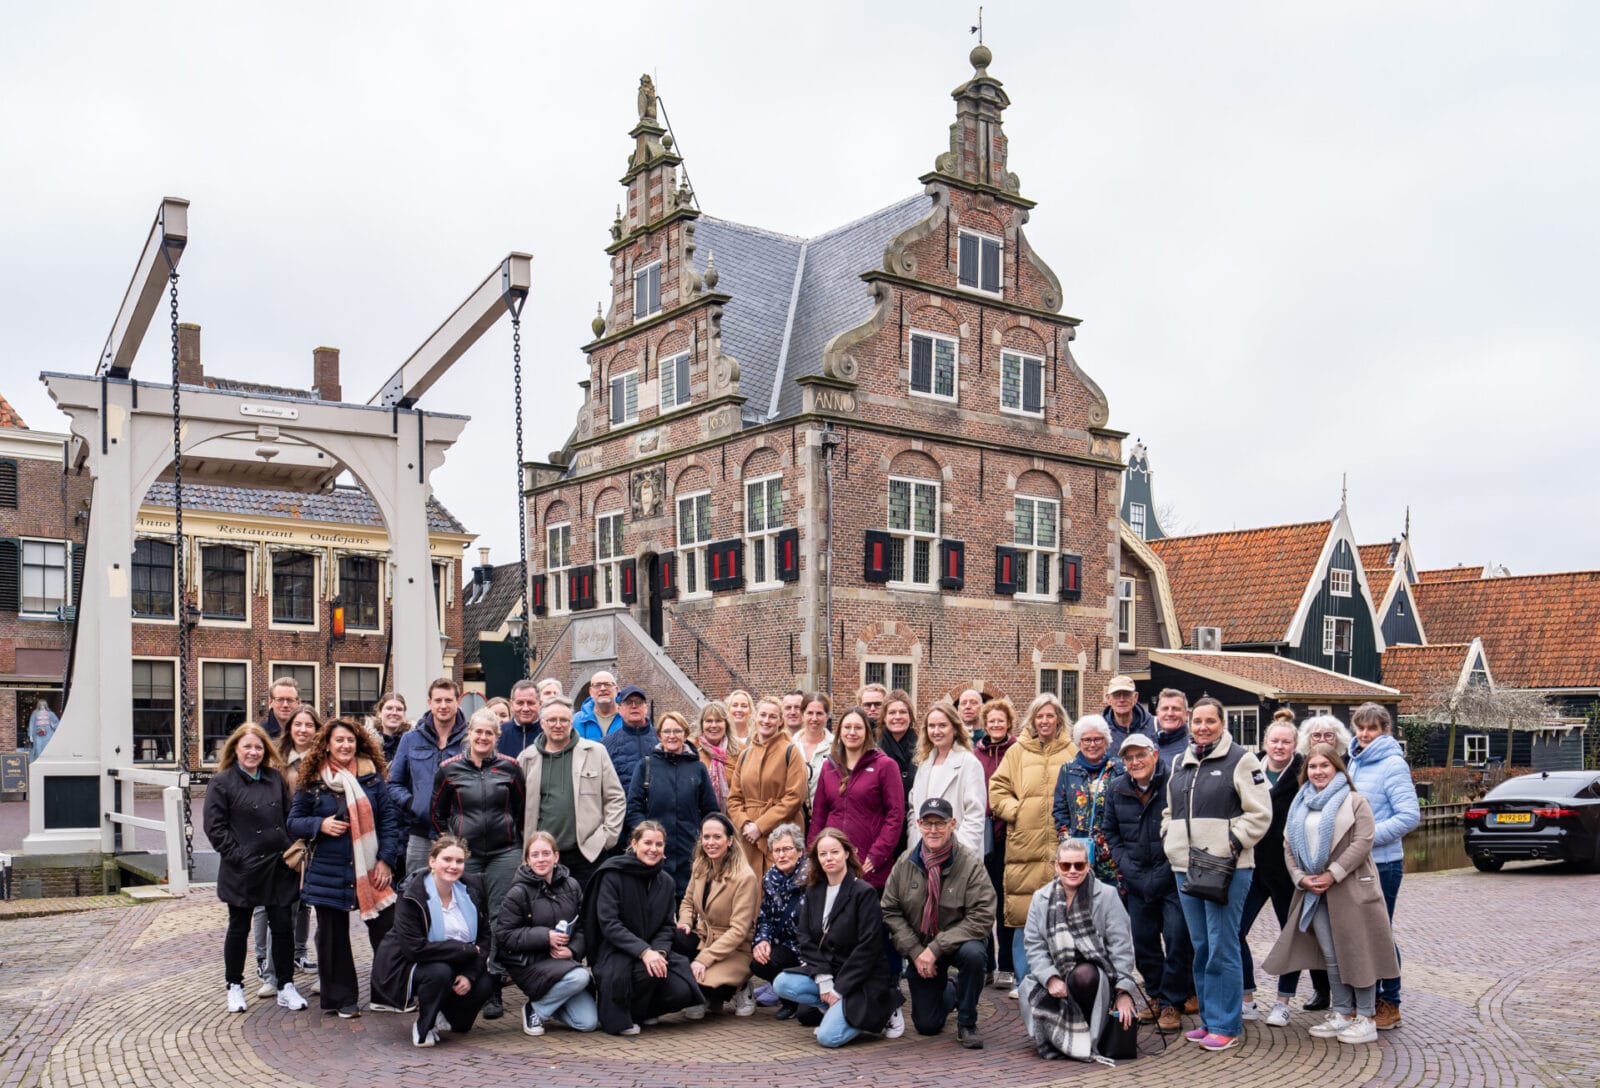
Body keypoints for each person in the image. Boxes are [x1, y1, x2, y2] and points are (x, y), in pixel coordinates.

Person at [1262, 744, 1400, 1045]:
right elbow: (1288, 844)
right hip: (1314, 892)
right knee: (1332, 955)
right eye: (1313, 766)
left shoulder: (1354, 801)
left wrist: (1332, 873)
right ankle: (1342, 1012)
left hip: (1350, 889)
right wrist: (1300, 877)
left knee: (1357, 951)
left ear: (1337, 768)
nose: (1318, 771)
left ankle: (1365, 1017)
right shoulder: (1300, 802)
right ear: (1306, 771)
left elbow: (1363, 841)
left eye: (1325, 765)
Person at [1160, 696, 1271, 1051]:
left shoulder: (1242, 760)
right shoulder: (1180, 762)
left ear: (1223, 724)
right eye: (1198, 722)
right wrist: (1170, 840)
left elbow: (1260, 814)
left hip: (1227, 869)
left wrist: (1230, 844)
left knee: (1223, 945)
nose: (1203, 727)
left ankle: (1227, 1024)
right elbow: (1168, 811)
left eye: (1211, 721)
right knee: (1202, 945)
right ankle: (1209, 1019)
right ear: (1190, 725)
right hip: (1185, 868)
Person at [286, 717, 403, 1017]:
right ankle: (342, 999)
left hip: (369, 867)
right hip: (328, 868)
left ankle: (388, 994)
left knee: (388, 929)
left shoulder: (372, 778)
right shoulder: (312, 779)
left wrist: (386, 860)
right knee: (332, 937)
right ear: (327, 744)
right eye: (339, 740)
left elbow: (389, 822)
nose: (345, 745)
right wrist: (319, 824)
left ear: (358, 743)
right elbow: (293, 821)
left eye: (350, 740)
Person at [430, 708, 526, 1019]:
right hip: (466, 854)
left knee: (499, 916)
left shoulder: (510, 769)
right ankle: (465, 979)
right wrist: (453, 843)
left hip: (504, 852)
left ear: (497, 737)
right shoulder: (448, 770)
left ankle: (492, 986)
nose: (482, 737)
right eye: (478, 732)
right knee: (468, 914)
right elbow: (437, 814)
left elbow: (521, 810)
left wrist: (515, 840)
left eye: (489, 733)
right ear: (468, 734)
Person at [204, 723, 307, 1013]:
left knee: (284, 926)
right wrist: (239, 857)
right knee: (239, 928)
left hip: (277, 865)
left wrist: (289, 847)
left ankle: (286, 985)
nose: (253, 752)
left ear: (266, 751)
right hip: (242, 869)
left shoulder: (275, 779)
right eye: (247, 746)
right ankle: (234, 986)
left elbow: (289, 815)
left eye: (258, 747)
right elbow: (215, 828)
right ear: (235, 748)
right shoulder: (222, 783)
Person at [881, 798, 997, 1049]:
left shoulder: (970, 863)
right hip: (920, 947)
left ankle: (967, 1022)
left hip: (957, 943)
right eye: (927, 823)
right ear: (919, 824)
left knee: (975, 954)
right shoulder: (905, 863)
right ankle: (953, 989)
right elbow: (890, 910)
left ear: (952, 824)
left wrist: (936, 948)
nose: (933, 830)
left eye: (940, 823)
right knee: (927, 1025)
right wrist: (915, 951)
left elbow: (983, 915)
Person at [772, 829, 905, 1047]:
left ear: (847, 853)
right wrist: (824, 980)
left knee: (828, 1038)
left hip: (861, 977)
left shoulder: (864, 892)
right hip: (830, 970)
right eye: (823, 854)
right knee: (782, 983)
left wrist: (838, 989)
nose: (829, 858)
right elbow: (804, 938)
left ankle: (884, 1007)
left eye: (834, 852)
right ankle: (837, 1008)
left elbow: (868, 948)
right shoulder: (814, 891)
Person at [1243, 714, 1330, 1025]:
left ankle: (1282, 1002)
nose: (1279, 746)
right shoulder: (1249, 767)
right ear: (1265, 743)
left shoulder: (1303, 772)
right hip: (1251, 866)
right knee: (1236, 930)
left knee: (1290, 936)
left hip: (1286, 869)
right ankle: (1247, 997)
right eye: (1274, 741)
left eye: (1286, 742)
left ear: (1295, 745)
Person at [988, 692, 1078, 994]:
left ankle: (1056, 979)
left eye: (1050, 715)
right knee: (1023, 915)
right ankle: (1025, 980)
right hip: (1024, 845)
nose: (1044, 721)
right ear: (1032, 720)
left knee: (1061, 917)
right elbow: (997, 788)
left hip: (1058, 846)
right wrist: (1017, 811)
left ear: (1059, 719)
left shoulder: (1072, 751)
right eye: (1039, 716)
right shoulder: (1017, 752)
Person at [1018, 838, 1138, 1062]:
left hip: (1095, 977)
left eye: (1079, 865)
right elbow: (1034, 947)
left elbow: (1121, 948)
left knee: (1085, 975)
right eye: (1066, 865)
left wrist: (1123, 992)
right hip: (1057, 974)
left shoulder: (1107, 895)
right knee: (1036, 987)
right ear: (1056, 866)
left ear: (1088, 866)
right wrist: (1051, 978)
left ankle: (1088, 1028)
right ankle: (1067, 1031)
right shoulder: (1040, 898)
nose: (1072, 871)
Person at [1102, 733, 1190, 1033]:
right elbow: (1109, 832)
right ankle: (1155, 995)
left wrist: (1165, 870)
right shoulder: (1117, 789)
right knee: (1144, 942)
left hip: (1170, 876)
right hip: (1135, 879)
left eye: (1141, 755)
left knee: (1178, 939)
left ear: (1154, 754)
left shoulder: (1173, 783)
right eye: (1129, 758)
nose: (1135, 762)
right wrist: (1128, 869)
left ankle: (1171, 1003)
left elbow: (1183, 828)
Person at [370, 836, 495, 1047]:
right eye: (447, 859)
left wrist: (469, 974)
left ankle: (443, 1012)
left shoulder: (472, 889)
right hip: (408, 965)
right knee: (440, 972)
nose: (453, 866)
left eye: (459, 861)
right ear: (432, 861)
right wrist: (462, 949)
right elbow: (414, 949)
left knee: (485, 984)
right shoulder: (412, 893)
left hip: (457, 960)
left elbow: (484, 936)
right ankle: (423, 1026)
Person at [584, 821, 707, 1034]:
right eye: (647, 843)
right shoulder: (612, 874)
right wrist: (643, 952)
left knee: (683, 990)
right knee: (650, 973)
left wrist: (658, 951)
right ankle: (618, 1014)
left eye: (659, 844)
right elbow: (609, 924)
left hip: (652, 949)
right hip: (615, 952)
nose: (653, 849)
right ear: (634, 843)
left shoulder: (666, 882)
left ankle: (643, 1012)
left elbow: (667, 926)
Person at [1345, 702, 1419, 1031]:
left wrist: (1366, 840)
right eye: (1360, 727)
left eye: (1372, 728)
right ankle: (1369, 997)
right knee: (1361, 934)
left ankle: (1392, 1001)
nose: (1364, 734)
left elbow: (1409, 816)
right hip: (1357, 865)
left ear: (1385, 730)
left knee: (1380, 933)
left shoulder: (1392, 765)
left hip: (1384, 864)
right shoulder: (1354, 761)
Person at [495, 830, 598, 1036]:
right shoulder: (518, 892)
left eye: (546, 853)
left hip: (564, 962)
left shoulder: (572, 885)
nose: (541, 859)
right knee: (580, 977)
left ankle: (550, 1004)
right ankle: (536, 1010)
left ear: (556, 856)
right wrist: (545, 937)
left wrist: (573, 950)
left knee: (588, 1023)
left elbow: (584, 926)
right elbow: (504, 935)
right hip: (531, 964)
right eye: (535, 855)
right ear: (527, 860)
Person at [518, 696, 626, 892]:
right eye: (552, 720)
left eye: (564, 720)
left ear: (572, 722)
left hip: (587, 852)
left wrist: (606, 837)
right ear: (542, 723)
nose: (558, 725)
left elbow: (615, 798)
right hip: (544, 856)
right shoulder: (527, 758)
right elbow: (517, 806)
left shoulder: (595, 752)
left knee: (588, 914)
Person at [253, 706, 320, 998]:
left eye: (309, 725)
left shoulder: (324, 761)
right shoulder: (276, 762)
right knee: (279, 910)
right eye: (298, 724)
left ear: (317, 730)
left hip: (319, 840)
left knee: (322, 910)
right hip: (285, 844)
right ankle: (273, 974)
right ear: (290, 728)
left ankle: (324, 971)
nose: (303, 730)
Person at [625, 711, 719, 899]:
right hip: (655, 852)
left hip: (689, 852)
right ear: (659, 735)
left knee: (688, 906)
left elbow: (711, 811)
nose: (672, 736)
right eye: (667, 731)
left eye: (677, 731)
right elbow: (633, 809)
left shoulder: (698, 768)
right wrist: (648, 838)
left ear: (685, 734)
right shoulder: (646, 766)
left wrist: (703, 840)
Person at [809, 707, 904, 891]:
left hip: (868, 862)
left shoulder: (885, 765)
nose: (852, 732)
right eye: (847, 727)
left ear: (867, 732)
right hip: (833, 862)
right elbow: (819, 816)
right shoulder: (829, 766)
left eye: (858, 728)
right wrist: (813, 854)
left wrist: (877, 855)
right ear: (839, 732)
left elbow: (895, 816)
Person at [676, 813, 761, 1015]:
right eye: (706, 837)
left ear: (730, 840)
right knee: (675, 937)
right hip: (703, 937)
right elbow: (687, 902)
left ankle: (740, 987)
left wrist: (703, 959)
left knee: (697, 985)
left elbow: (739, 931)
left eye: (717, 837)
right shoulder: (700, 865)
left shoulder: (744, 877)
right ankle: (703, 993)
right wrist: (686, 922)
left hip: (735, 948)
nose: (710, 842)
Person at [389, 678, 468, 875]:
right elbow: (393, 783)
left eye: (448, 700)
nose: (443, 706)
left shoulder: (471, 740)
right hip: (420, 832)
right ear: (429, 703)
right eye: (438, 700)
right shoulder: (410, 739)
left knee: (458, 891)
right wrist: (411, 803)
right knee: (417, 891)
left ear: (458, 702)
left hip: (459, 832)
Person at [727, 696, 808, 871]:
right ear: (755, 718)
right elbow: (734, 799)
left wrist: (760, 826)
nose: (766, 720)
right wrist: (746, 824)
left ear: (780, 721)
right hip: (748, 836)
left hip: (781, 833)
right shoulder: (745, 755)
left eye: (772, 717)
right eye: (762, 715)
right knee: (750, 890)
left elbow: (794, 797)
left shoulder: (791, 751)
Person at [973, 697, 1018, 988]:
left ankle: (1006, 966)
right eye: (991, 721)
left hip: (1009, 834)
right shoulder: (975, 754)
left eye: (1001, 721)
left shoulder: (1017, 751)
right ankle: (986, 963)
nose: (996, 725)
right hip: (981, 834)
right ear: (985, 725)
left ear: (1008, 723)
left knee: (1005, 903)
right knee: (982, 901)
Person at [907, 698, 987, 855]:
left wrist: (961, 853)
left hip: (957, 854)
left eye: (942, 725)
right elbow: (913, 808)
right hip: (924, 852)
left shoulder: (969, 763)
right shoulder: (924, 764)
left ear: (955, 729)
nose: (936, 731)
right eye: (932, 726)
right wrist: (914, 842)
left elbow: (975, 815)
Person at [1051, 715, 1122, 886]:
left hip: (1111, 855)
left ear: (1105, 741)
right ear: (1079, 742)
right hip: (1077, 854)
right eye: (1086, 740)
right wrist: (1067, 842)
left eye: (1097, 739)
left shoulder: (1118, 769)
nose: (1092, 744)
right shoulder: (1068, 770)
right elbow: (1060, 810)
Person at [749, 823, 809, 1018]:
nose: (781, 855)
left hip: (810, 949)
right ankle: (789, 1002)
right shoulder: (770, 879)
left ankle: (805, 999)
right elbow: (765, 916)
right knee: (759, 962)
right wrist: (762, 941)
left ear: (800, 851)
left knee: (808, 1016)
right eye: (777, 850)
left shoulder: (813, 878)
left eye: (787, 849)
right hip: (786, 945)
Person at [603, 685, 658, 794]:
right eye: (628, 702)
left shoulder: (662, 740)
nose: (634, 706)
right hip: (623, 808)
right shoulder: (605, 745)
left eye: (639, 701)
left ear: (646, 708)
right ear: (619, 709)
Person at [694, 701, 742, 810]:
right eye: (709, 721)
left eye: (719, 721)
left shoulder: (739, 750)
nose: (713, 725)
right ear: (702, 724)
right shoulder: (692, 749)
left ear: (726, 724)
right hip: (701, 817)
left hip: (732, 817)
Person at [792, 693, 834, 812]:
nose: (814, 718)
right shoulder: (790, 746)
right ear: (802, 715)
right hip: (795, 817)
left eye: (819, 713)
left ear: (827, 716)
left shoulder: (837, 747)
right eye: (810, 713)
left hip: (826, 816)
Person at [1101, 676, 1156, 749]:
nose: (1122, 700)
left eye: (1126, 694)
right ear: (1108, 699)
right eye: (1116, 695)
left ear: (1135, 697)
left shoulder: (1154, 726)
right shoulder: (1099, 730)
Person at [499, 679, 543, 759]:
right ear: (511, 704)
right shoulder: (499, 733)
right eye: (520, 703)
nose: (525, 709)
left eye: (530, 703)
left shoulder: (548, 733)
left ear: (540, 704)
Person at [573, 671, 622, 741]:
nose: (603, 688)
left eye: (607, 684)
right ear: (591, 692)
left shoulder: (627, 717)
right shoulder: (577, 720)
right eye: (597, 685)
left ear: (616, 690)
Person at [1153, 689, 1190, 771]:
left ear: (1187, 715)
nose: (1170, 714)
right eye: (1165, 709)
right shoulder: (1150, 747)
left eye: (1176, 709)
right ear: (1158, 714)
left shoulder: (1193, 749)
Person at [373, 692, 412, 766]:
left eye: (399, 709)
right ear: (379, 713)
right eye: (389, 708)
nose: (394, 713)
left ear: (404, 714)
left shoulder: (413, 742)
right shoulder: (367, 744)